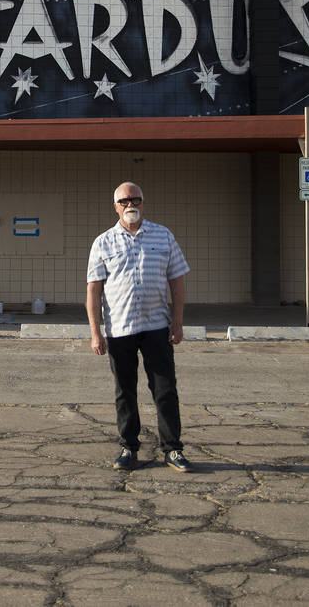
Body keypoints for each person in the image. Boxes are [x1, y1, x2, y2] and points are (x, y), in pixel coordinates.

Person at [86, 181, 192, 472]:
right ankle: (129, 448)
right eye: (124, 200)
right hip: (119, 330)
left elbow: (178, 280)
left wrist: (178, 322)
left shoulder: (163, 235)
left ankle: (172, 449)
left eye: (136, 199)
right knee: (125, 391)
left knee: (165, 390)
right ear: (115, 206)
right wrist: (96, 332)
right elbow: (93, 291)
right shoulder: (103, 242)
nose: (130, 204)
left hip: (157, 326)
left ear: (143, 203)